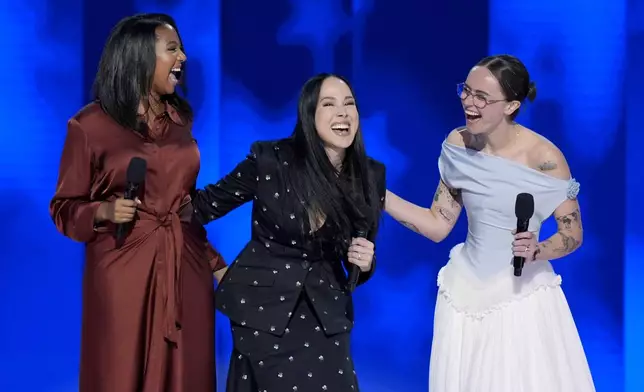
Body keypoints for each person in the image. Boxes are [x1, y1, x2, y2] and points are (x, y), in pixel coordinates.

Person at [385, 55, 595, 391]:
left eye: (482, 97)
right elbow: (439, 224)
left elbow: (572, 233)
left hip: (519, 299)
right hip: (462, 295)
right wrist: (380, 196)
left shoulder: (544, 159)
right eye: (466, 91)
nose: (469, 102)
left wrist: (537, 250)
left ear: (511, 105)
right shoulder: (458, 145)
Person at [49, 13, 226, 392]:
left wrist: (215, 264)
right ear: (139, 57)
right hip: (123, 271)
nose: (184, 58)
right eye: (173, 49)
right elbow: (63, 207)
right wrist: (103, 211)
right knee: (118, 372)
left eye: (182, 48)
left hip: (185, 270)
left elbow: (185, 205)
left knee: (188, 374)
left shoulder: (180, 121)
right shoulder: (89, 126)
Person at [191, 73, 386, 392]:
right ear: (309, 114)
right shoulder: (270, 160)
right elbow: (200, 209)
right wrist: (215, 264)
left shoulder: (370, 175)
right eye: (330, 104)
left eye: (349, 104)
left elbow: (357, 262)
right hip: (263, 315)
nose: (343, 113)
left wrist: (365, 263)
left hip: (326, 317)